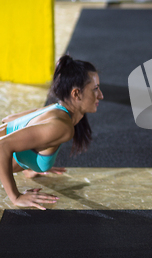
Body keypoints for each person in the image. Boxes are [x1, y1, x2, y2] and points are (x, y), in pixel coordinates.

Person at [0, 55, 103, 210]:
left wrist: (30, 164)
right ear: (76, 94)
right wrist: (16, 197)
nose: (101, 95)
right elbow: (2, 146)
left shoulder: (55, 109)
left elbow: (9, 121)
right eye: (95, 89)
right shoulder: (62, 127)